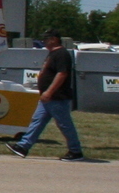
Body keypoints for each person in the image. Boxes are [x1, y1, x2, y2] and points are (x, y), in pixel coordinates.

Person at [10, 29, 84, 161]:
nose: (44, 41)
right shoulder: (53, 54)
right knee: (37, 121)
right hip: (47, 97)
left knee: (64, 124)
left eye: (46, 39)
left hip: (57, 97)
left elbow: (62, 74)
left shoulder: (62, 54)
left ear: (54, 39)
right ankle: (23, 146)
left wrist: (49, 91)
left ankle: (75, 151)